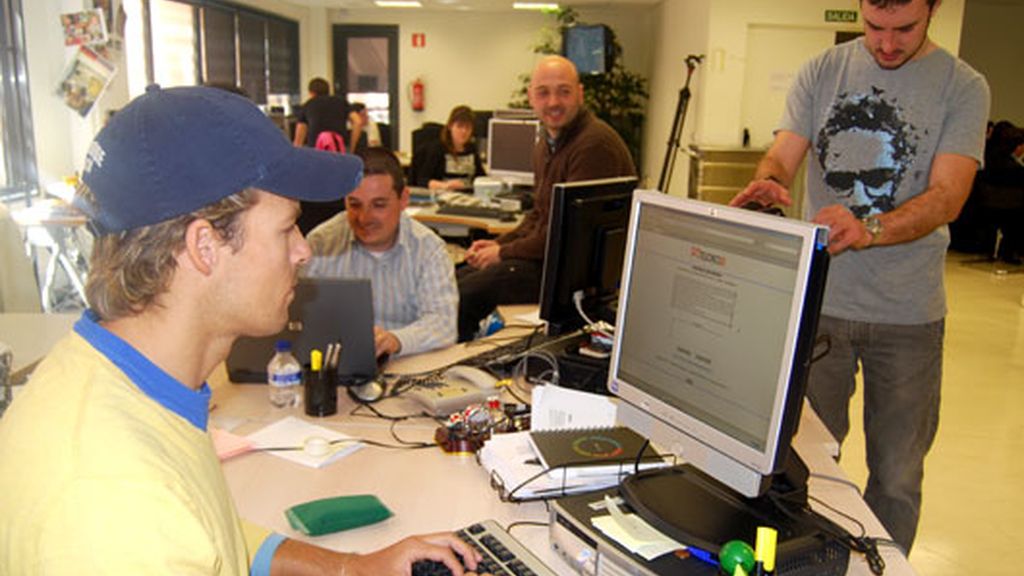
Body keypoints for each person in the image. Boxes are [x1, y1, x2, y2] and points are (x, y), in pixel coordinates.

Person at [0, 85, 485, 575]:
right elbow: (162, 533)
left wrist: (349, 569)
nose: (304, 251)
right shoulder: (113, 507)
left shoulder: (132, 387)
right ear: (204, 247)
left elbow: (211, 537)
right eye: (286, 229)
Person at [729, 0, 989, 552]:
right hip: (821, 308)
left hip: (908, 318)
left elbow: (948, 196)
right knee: (807, 465)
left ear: (934, 10)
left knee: (896, 477)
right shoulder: (822, 71)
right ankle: (809, 561)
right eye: (875, 27)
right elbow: (782, 155)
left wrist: (868, 228)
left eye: (905, 29)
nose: (888, 44)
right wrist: (771, 181)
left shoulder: (962, 86)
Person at [455, 56, 635, 341]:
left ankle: (460, 375)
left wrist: (503, 253)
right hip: (545, 259)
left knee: (465, 295)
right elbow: (539, 214)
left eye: (564, 91)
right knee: (457, 277)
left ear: (580, 93)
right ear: (531, 98)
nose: (553, 102)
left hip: (571, 279)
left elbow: (566, 235)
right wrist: (499, 243)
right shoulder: (546, 144)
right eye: (543, 92)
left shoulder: (593, 146)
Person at [305, 147, 458, 358]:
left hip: (405, 365)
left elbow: (443, 324)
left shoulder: (428, 249)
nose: (364, 218)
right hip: (334, 365)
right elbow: (296, 316)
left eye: (378, 205)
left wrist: (396, 340)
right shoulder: (320, 244)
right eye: (355, 205)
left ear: (403, 199)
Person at [414, 105, 486, 191]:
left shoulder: (471, 149)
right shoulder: (438, 149)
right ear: (450, 126)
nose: (464, 131)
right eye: (459, 126)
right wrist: (445, 185)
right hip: (444, 196)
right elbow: (423, 180)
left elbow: (481, 178)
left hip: (468, 197)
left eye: (468, 128)